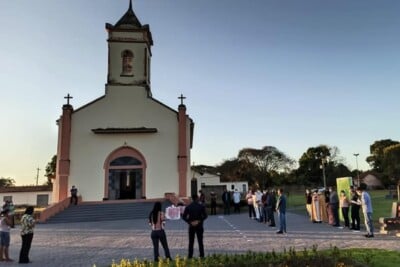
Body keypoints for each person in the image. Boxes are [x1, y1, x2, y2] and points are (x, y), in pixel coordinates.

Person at [182, 194, 208, 258]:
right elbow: (205, 216)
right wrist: (199, 221)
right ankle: (202, 255)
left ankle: (190, 256)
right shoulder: (201, 206)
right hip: (199, 226)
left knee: (191, 242)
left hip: (191, 226)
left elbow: (184, 216)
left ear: (192, 199)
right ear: (197, 198)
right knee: (200, 241)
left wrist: (190, 222)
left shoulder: (188, 207)